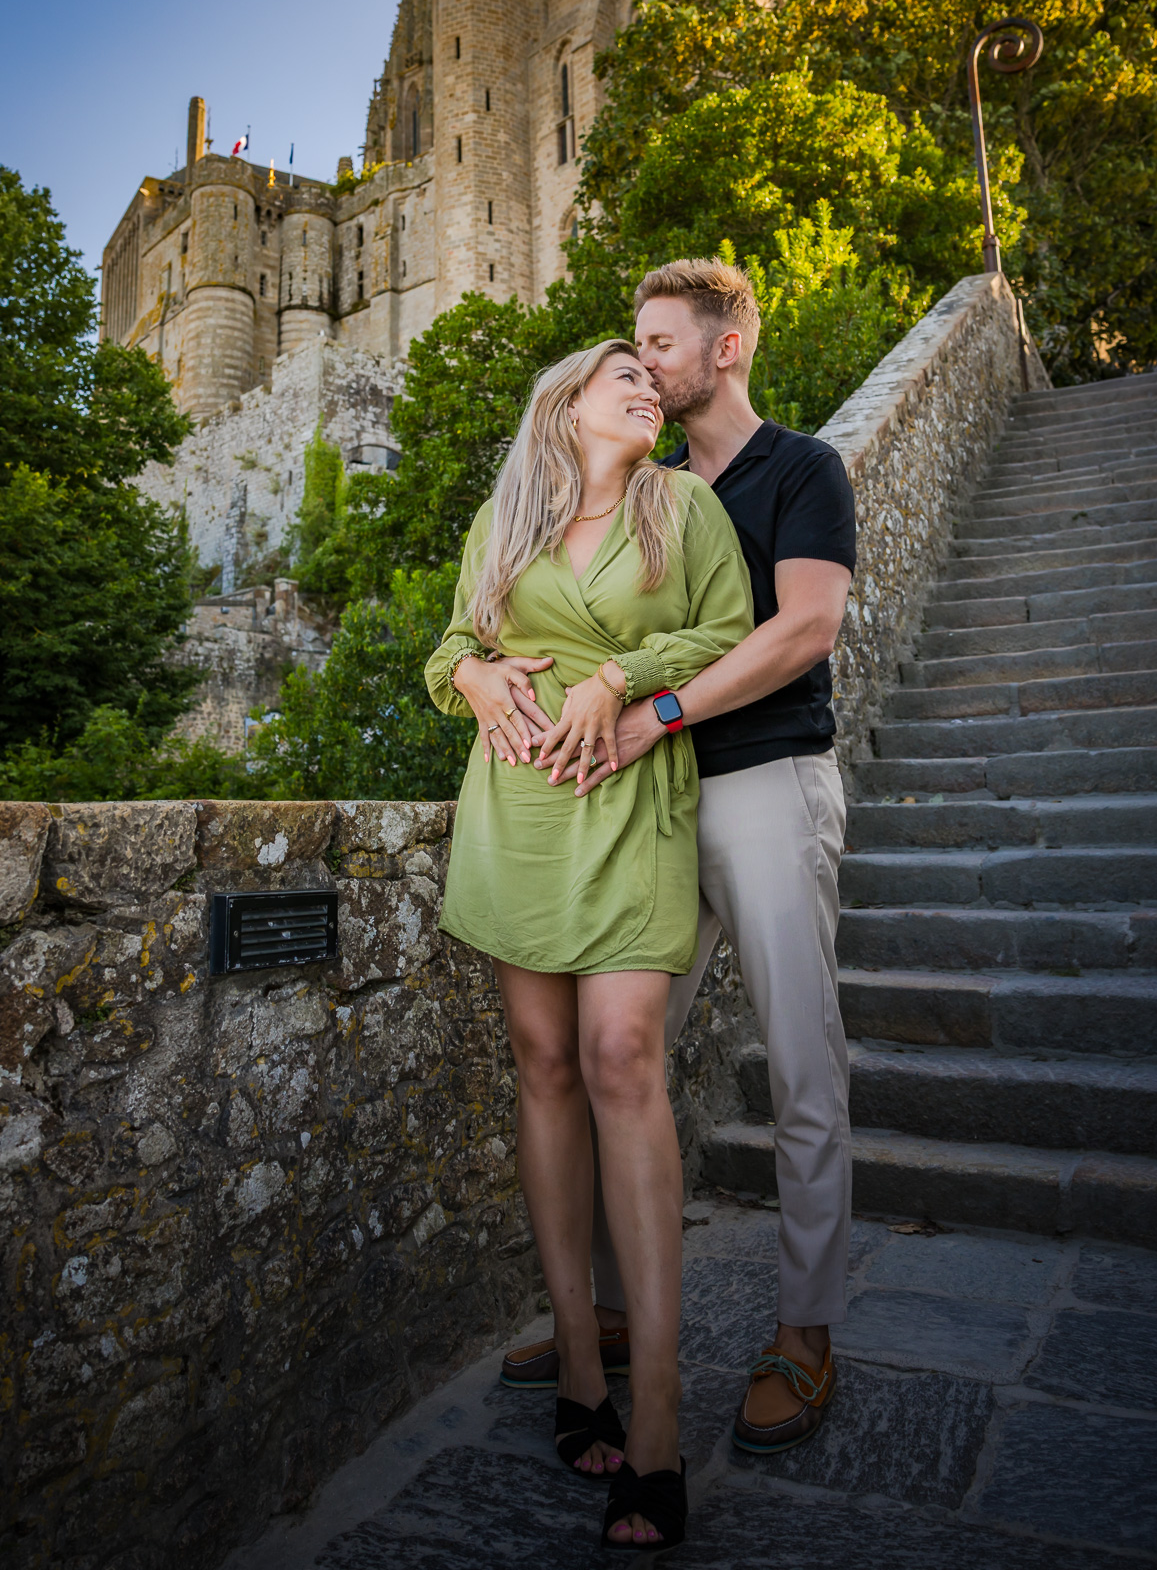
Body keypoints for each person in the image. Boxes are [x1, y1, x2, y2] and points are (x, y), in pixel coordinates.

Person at [502, 257, 857, 1457]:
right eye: (635, 348)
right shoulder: (637, 492)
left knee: (802, 1058)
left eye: (660, 341)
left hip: (760, 782)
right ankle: (602, 1315)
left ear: (727, 345)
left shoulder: (800, 469)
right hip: (636, 809)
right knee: (619, 1063)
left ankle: (805, 1332)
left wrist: (655, 710)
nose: (642, 360)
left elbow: (804, 627)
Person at [426, 338, 753, 1552]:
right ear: (563, 404)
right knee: (543, 1063)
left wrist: (613, 674)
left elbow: (729, 634)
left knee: (622, 1056)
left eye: (647, 377)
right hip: (516, 806)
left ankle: (658, 1415)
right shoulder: (503, 522)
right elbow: (448, 647)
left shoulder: (687, 506)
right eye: (619, 374)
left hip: (627, 794)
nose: (641, 387)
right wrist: (470, 676)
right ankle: (578, 1364)